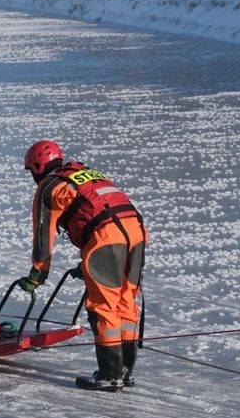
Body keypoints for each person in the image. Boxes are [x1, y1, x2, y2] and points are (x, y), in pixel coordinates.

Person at [18, 141, 147, 391]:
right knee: (126, 302)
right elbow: (99, 210)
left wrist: (37, 274)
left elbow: (43, 238)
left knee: (104, 306)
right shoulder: (86, 174)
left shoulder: (50, 187)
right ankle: (125, 371)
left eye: (32, 172)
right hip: (137, 231)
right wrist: (88, 264)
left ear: (37, 166)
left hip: (107, 237)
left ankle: (109, 375)